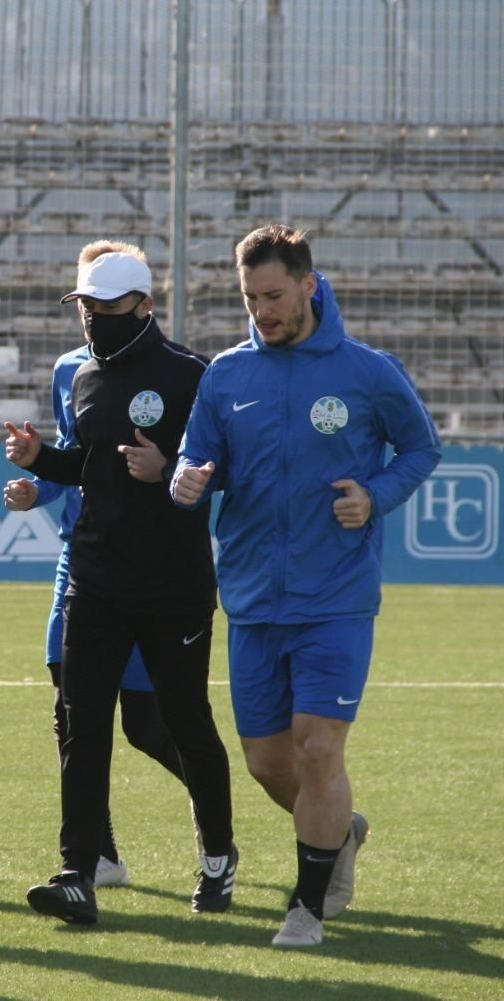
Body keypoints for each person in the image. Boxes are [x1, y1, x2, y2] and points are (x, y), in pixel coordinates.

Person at [170, 224, 441, 948]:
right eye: (251, 296)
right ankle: (339, 830)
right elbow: (198, 455)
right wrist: (189, 478)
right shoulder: (226, 374)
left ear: (308, 286)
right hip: (254, 597)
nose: (263, 309)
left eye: (275, 295)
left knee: (320, 749)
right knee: (267, 761)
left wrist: (375, 496)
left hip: (337, 598)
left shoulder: (367, 371)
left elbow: (421, 448)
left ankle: (309, 905)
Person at [3, 245, 236, 926]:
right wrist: (39, 458)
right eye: (85, 308)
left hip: (173, 585)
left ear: (143, 305)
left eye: (107, 308)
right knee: (81, 726)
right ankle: (79, 871)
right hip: (94, 579)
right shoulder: (82, 378)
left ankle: (218, 856)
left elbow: (225, 468)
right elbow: (90, 468)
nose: (93, 320)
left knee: (186, 723)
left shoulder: (194, 375)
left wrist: (170, 470)